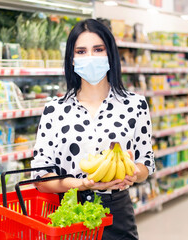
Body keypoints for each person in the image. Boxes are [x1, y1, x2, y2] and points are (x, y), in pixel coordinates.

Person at [31, 18, 155, 240]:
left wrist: (133, 174)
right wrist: (82, 184)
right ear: (71, 59)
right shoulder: (55, 110)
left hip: (117, 213)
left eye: (98, 49)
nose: (90, 57)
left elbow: (146, 162)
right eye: (81, 51)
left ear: (111, 54)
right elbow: (40, 178)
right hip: (70, 213)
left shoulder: (135, 105)